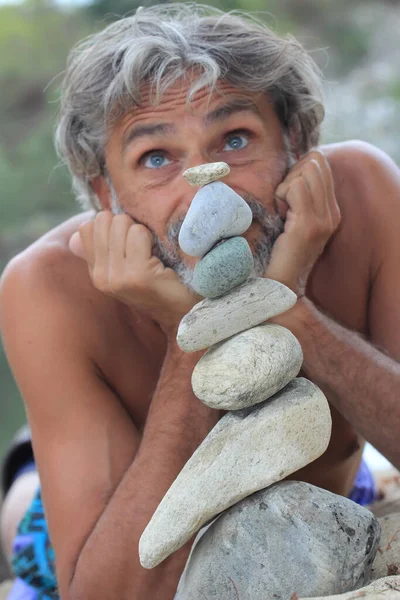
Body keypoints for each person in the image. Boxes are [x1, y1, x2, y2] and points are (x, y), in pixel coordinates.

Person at [0, 3, 399, 599]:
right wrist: (191, 338)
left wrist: (285, 304)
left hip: (337, 494)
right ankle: (28, 463)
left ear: (294, 145)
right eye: (156, 158)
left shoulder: (360, 195)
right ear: (105, 191)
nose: (207, 184)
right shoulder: (47, 286)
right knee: (25, 512)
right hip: (94, 512)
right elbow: (104, 593)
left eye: (235, 139)